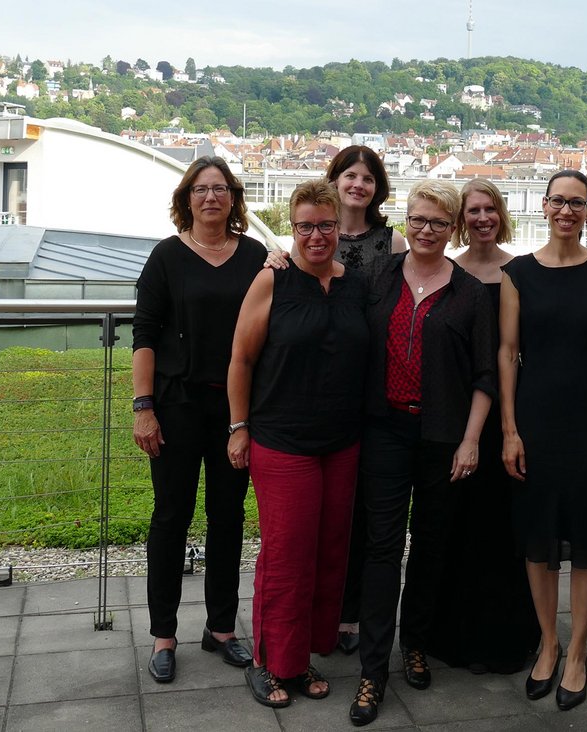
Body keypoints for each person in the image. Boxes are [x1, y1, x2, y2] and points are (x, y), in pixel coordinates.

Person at [349, 179, 496, 727]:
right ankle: (372, 670)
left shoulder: (470, 293)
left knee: (432, 546)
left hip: (442, 438)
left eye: (437, 222)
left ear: (453, 227)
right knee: (382, 549)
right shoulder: (378, 277)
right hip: (384, 430)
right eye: (417, 220)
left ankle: (415, 641)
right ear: (404, 223)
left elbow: (485, 376)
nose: (426, 230)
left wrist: (470, 440)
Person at [227, 179, 370, 707]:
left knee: (330, 554)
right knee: (286, 556)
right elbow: (241, 359)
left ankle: (302, 655)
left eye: (326, 225)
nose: (316, 235)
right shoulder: (273, 280)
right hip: (283, 441)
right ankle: (270, 663)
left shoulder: (354, 285)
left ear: (339, 227)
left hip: (342, 442)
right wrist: (238, 427)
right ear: (292, 228)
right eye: (306, 226)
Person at [499, 169, 587, 712]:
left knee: (586, 534)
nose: (566, 211)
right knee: (538, 536)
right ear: (544, 206)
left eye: (577, 203)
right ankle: (548, 645)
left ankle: (578, 651)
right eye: (558, 201)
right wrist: (508, 429)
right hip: (533, 420)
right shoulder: (518, 274)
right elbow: (507, 353)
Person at [264, 145, 404, 655]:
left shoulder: (394, 241)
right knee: (307, 529)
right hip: (306, 399)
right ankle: (303, 630)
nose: (359, 185)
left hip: (368, 385)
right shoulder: (310, 234)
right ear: (335, 181)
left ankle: (347, 614)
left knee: (357, 515)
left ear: (377, 186)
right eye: (350, 174)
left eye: (368, 177)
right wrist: (275, 255)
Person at [132, 156, 266, 684]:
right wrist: (143, 408)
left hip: (234, 409)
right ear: (187, 199)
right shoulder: (166, 256)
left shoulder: (255, 255)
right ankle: (164, 635)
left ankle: (221, 628)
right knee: (170, 518)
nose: (211, 197)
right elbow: (144, 333)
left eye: (221, 189)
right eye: (201, 189)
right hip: (176, 404)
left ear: (233, 198)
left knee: (228, 518)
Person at [427, 179, 541, 674]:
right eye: (472, 210)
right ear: (460, 219)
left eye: (489, 209)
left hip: (508, 415)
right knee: (458, 524)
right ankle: (452, 632)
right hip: (458, 412)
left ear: (501, 215)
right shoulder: (446, 272)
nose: (481, 218)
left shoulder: (519, 271)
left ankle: (507, 634)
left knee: (505, 525)